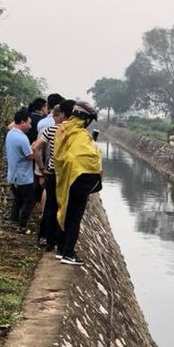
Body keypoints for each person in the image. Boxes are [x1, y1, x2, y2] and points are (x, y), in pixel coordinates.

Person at [53, 100, 102, 265]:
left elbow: (61, 154)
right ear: (85, 119)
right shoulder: (81, 135)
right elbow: (90, 159)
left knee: (64, 210)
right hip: (78, 179)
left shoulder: (63, 129)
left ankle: (60, 249)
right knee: (74, 217)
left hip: (64, 177)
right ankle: (68, 253)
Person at [32, 99, 73, 250]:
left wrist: (42, 168)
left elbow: (35, 148)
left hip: (52, 173)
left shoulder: (52, 130)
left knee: (50, 205)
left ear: (62, 114)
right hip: (68, 175)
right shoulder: (76, 132)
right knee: (65, 207)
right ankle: (60, 241)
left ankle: (46, 240)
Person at [5, 107, 36, 233]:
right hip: (24, 177)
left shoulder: (11, 133)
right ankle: (22, 226)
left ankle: (14, 222)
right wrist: (35, 148)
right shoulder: (22, 138)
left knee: (17, 200)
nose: (30, 126)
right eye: (29, 123)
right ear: (22, 122)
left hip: (13, 175)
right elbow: (29, 156)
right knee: (30, 201)